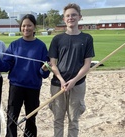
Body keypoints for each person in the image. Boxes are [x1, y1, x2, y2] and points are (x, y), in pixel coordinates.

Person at [0, 14, 50, 137]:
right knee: (12, 117)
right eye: (24, 25)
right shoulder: (15, 45)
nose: (26, 28)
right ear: (20, 27)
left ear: (34, 27)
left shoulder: (41, 46)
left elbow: (44, 74)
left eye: (29, 25)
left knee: (31, 118)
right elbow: (6, 66)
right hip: (16, 86)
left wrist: (44, 69)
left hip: (33, 87)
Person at [47, 3, 95, 137]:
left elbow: (87, 65)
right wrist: (62, 80)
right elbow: (53, 64)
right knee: (58, 119)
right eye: (68, 15)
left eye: (74, 15)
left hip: (78, 84)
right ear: (64, 19)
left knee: (73, 119)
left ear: (80, 17)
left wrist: (74, 81)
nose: (71, 18)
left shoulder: (86, 38)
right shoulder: (57, 39)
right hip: (58, 85)